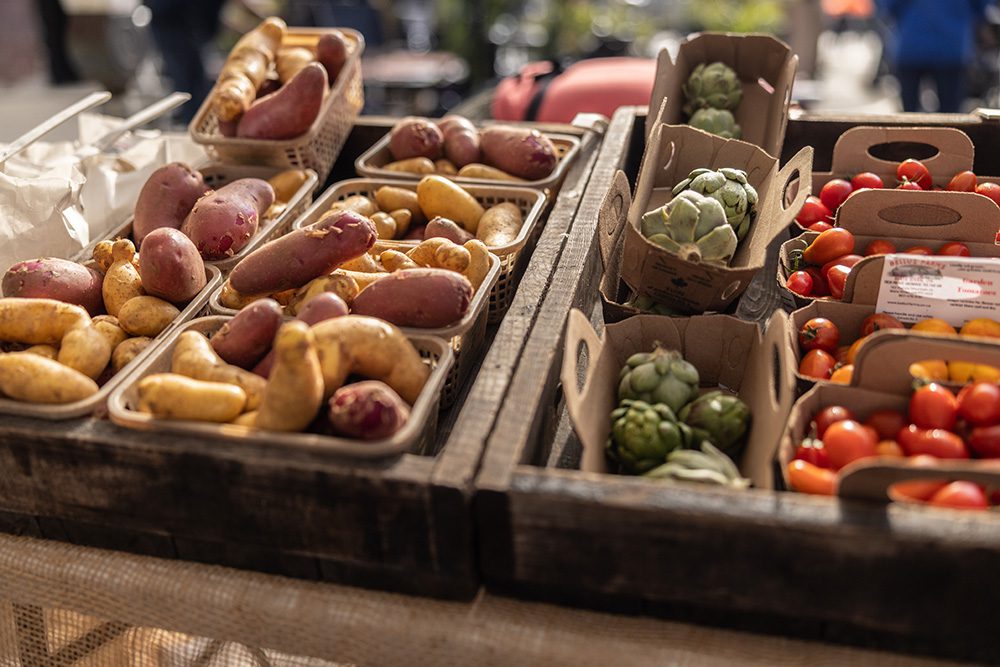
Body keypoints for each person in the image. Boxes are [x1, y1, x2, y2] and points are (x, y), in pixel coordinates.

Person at [876, 0, 996, 112]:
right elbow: (983, 9)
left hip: (912, 45)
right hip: (951, 47)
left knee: (909, 117)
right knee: (951, 119)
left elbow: (888, 8)